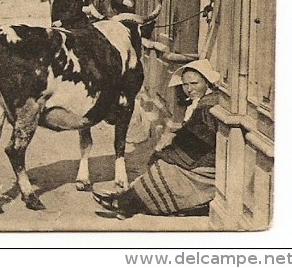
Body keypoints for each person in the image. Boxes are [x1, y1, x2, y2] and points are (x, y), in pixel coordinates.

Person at [93, 60, 221, 218]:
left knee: (164, 171)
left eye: (194, 83)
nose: (189, 89)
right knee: (160, 164)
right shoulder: (203, 102)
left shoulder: (207, 106)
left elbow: (196, 142)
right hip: (201, 157)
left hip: (207, 165)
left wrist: (168, 152)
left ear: (207, 82)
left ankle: (126, 203)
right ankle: (127, 199)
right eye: (185, 84)